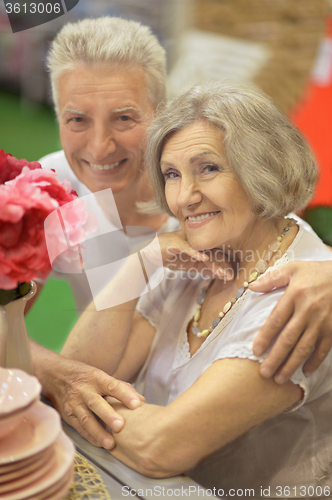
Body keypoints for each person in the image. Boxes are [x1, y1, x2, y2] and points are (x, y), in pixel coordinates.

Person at [30, 16, 332, 450]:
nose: (99, 146)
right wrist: (58, 375)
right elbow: (77, 367)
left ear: (159, 112)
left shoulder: (227, 234)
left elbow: (161, 443)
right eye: (77, 119)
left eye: (124, 118)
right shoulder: (52, 191)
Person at [62, 81, 332, 494]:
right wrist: (138, 264)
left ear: (263, 168)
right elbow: (84, 370)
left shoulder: (300, 295)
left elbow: (160, 447)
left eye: (208, 168)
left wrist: (80, 399)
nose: (184, 197)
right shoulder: (197, 250)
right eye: (172, 174)